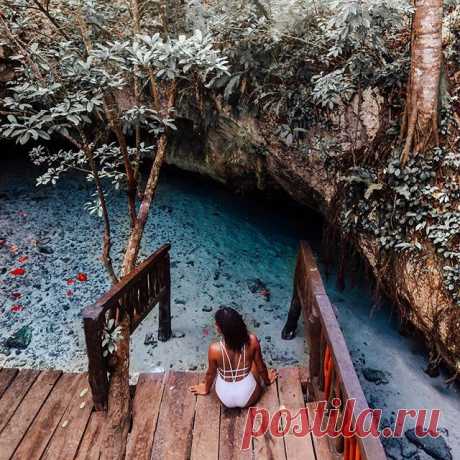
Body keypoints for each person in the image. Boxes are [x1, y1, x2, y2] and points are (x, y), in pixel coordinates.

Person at [189, 306, 278, 408]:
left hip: (224, 397)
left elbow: (210, 374)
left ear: (219, 329)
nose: (215, 325)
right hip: (248, 395)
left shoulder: (214, 349)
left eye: (216, 324)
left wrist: (205, 388)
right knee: (254, 363)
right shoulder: (252, 340)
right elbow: (261, 367)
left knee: (220, 368)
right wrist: (267, 381)